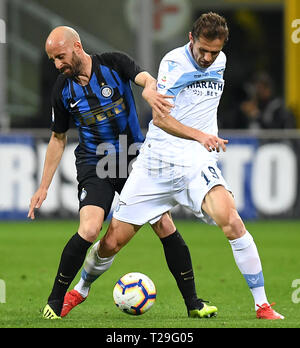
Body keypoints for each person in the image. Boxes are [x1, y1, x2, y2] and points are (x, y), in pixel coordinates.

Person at [67, 13, 284, 320]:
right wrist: (202, 135)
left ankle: (262, 305)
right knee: (111, 242)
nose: (208, 58)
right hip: (156, 163)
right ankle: (81, 288)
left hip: (196, 161)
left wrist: (201, 141)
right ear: (191, 40)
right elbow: (160, 118)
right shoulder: (173, 64)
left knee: (232, 221)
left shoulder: (219, 61)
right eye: (203, 51)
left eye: (215, 51)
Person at [28, 26, 217, 320]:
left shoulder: (113, 63)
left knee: (164, 225)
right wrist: (43, 186)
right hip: (95, 162)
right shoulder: (62, 90)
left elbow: (145, 79)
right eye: (53, 59)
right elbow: (58, 138)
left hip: (135, 158)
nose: (57, 65)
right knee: (90, 230)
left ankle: (193, 303)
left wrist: (151, 92)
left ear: (77, 46)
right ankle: (55, 300)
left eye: (61, 56)